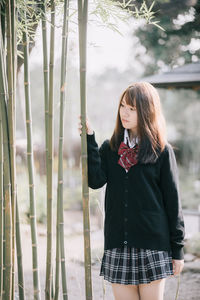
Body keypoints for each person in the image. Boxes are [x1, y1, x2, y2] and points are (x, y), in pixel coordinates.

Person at [78, 82, 185, 300]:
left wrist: (178, 250)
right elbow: (95, 181)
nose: (124, 113)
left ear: (147, 111)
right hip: (118, 243)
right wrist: (89, 138)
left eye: (132, 108)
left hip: (152, 245)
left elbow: (173, 203)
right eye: (123, 106)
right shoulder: (111, 147)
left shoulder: (161, 151)